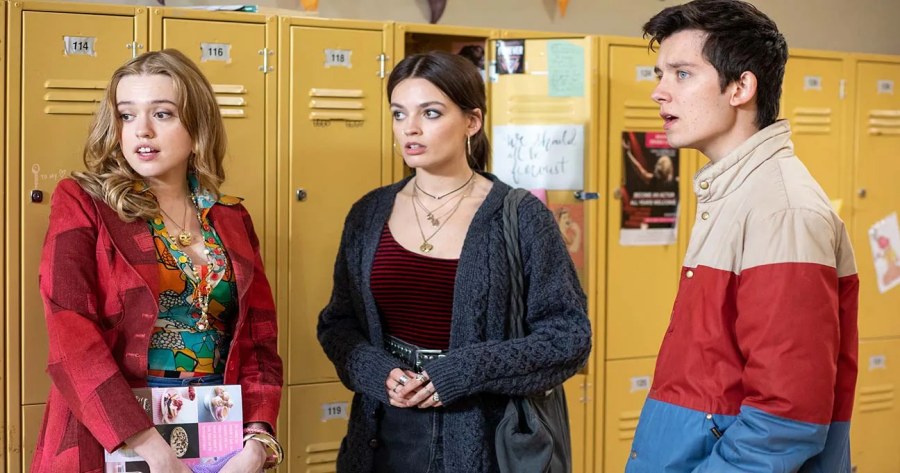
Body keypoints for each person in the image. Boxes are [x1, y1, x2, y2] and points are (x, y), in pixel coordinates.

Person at [317, 51, 591, 473]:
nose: (410, 128)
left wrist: (464, 371)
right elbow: (338, 323)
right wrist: (375, 370)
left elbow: (569, 337)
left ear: (472, 121)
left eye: (430, 113)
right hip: (382, 435)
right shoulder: (368, 214)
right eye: (399, 113)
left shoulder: (520, 216)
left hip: (483, 439)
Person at [626, 1, 859, 471]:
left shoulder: (781, 210)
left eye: (682, 74)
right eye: (659, 74)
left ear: (741, 87)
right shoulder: (736, 193)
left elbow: (786, 417)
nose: (658, 92)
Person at [31, 49, 283, 473]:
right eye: (127, 115)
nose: (141, 130)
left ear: (198, 126)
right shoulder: (84, 203)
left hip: (220, 435)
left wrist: (257, 440)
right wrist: (150, 445)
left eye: (162, 114)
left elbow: (260, 341)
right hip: (114, 434)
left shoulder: (231, 217)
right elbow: (70, 335)